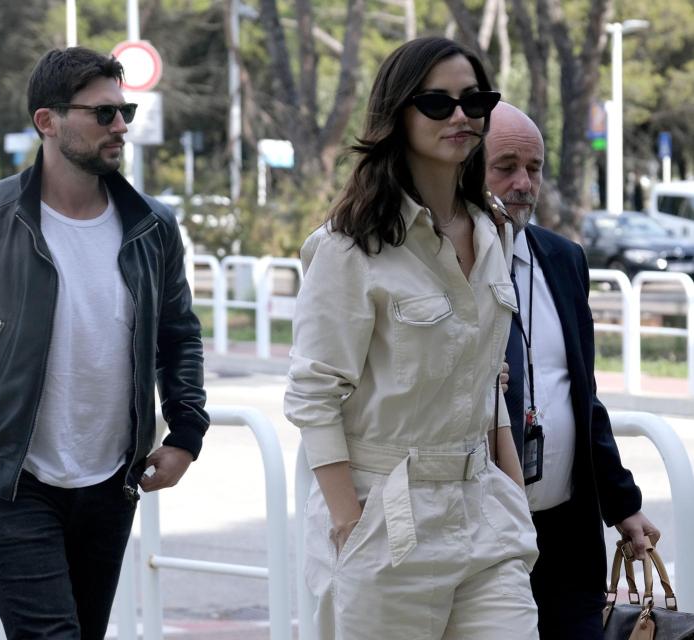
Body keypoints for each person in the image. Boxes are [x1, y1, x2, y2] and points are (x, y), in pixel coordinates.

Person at [0, 47, 209, 639]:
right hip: (13, 481)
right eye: (103, 114)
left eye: (125, 111)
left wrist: (187, 434)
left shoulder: (152, 226)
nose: (120, 125)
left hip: (110, 484)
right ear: (47, 121)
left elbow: (179, 334)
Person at [284, 37, 539, 639]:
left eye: (475, 101)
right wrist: (350, 522)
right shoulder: (350, 245)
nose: (460, 116)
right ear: (398, 112)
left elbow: (485, 379)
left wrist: (513, 495)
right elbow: (313, 394)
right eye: (436, 102)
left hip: (483, 512)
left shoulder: (493, 230)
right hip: (384, 516)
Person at [486, 101, 659, 639]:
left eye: (533, 168)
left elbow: (582, 398)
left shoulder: (564, 258)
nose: (523, 183)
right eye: (506, 166)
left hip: (567, 530)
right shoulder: (444, 264)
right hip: (486, 530)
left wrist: (622, 503)